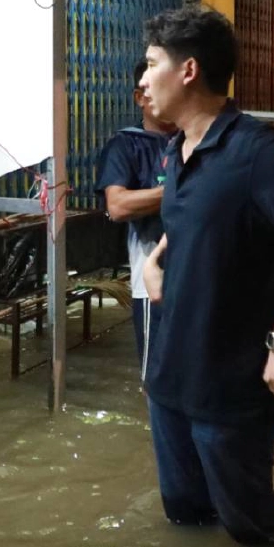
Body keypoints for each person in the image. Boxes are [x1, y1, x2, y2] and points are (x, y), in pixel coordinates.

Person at [139, 6, 274, 546]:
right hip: (169, 381)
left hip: (231, 390)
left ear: (188, 71)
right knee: (184, 522)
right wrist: (155, 256)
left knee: (251, 535)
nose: (142, 81)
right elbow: (194, 217)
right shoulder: (177, 150)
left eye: (151, 64)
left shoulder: (258, 152)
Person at [96, 58, 175, 366]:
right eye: (153, 88)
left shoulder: (194, 140)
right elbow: (117, 205)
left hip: (202, 273)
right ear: (139, 97)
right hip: (153, 273)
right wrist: (180, 191)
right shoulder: (126, 144)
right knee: (156, 373)